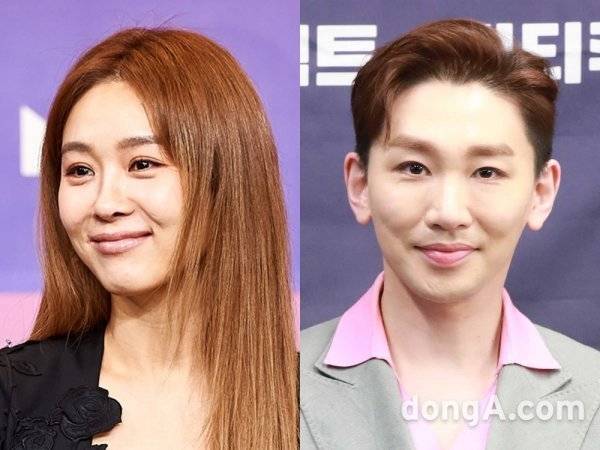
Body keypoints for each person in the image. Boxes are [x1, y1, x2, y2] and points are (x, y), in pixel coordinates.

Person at [300, 19, 600, 450]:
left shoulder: (593, 393)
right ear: (360, 185)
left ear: (541, 192)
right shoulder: (270, 383)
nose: (448, 213)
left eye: (487, 172)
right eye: (414, 168)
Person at [0, 27, 298, 449]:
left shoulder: (319, 408)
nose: (105, 203)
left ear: (224, 180)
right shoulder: (12, 397)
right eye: (80, 170)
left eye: (142, 164)